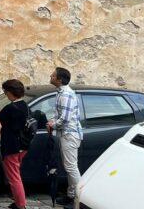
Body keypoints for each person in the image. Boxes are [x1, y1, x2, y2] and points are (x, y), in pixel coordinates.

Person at [48, 67, 82, 208]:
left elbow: (65, 119)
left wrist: (53, 124)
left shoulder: (66, 94)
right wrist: (53, 122)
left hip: (69, 134)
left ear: (59, 79)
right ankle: (71, 196)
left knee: (71, 167)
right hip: (66, 134)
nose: (51, 76)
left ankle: (79, 198)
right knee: (69, 167)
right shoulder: (62, 93)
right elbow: (61, 116)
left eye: (53, 75)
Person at [0, 79, 30, 209]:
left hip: (11, 147)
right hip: (23, 146)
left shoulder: (10, 108)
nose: (5, 93)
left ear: (10, 92)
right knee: (16, 175)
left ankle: (21, 205)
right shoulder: (24, 106)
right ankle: (18, 202)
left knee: (14, 178)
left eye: (5, 91)